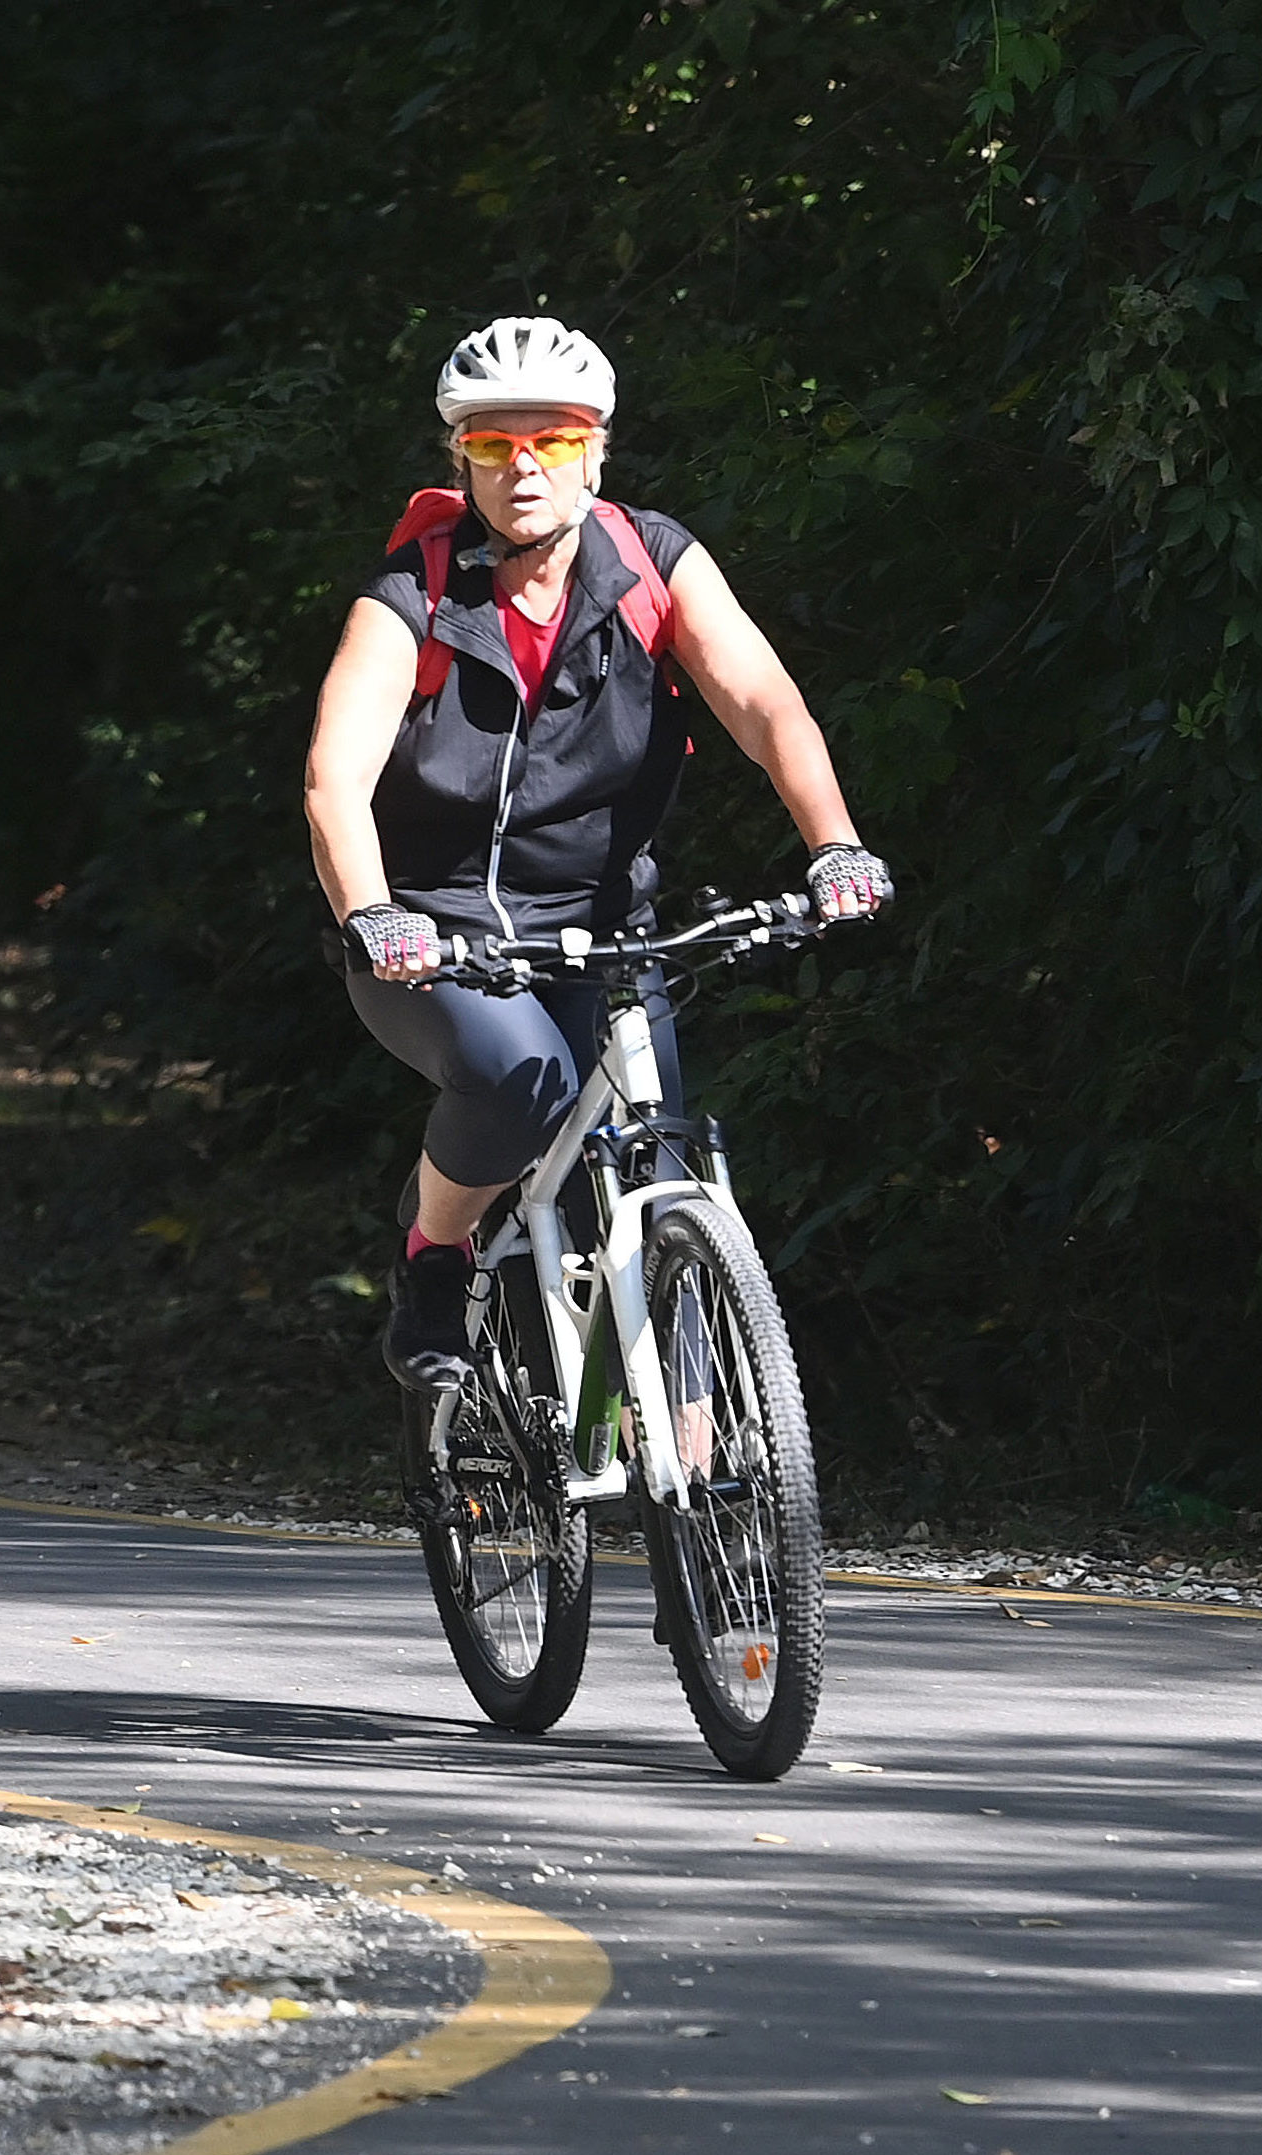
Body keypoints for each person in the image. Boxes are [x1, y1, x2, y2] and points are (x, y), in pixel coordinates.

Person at [299, 315, 893, 1388]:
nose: (522, 467)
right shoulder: (412, 597)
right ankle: (433, 1257)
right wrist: (374, 912)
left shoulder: (653, 562)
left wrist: (834, 845)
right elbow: (332, 779)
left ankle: (703, 1488)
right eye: (491, 445)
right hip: (436, 939)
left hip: (601, 930)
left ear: (597, 450)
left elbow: (765, 705)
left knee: (666, 1181)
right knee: (517, 1073)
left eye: (553, 441)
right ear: (461, 460)